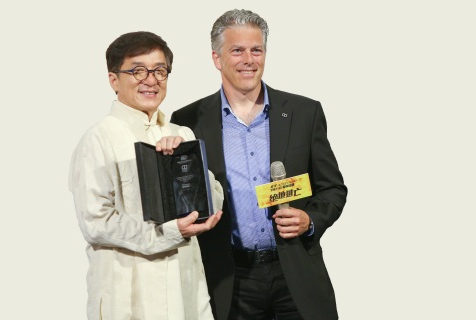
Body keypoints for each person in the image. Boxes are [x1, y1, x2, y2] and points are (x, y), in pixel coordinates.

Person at [169, 9, 348, 320]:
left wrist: (310, 219)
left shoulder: (304, 112)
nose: (248, 59)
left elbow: (332, 188)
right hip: (230, 278)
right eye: (237, 50)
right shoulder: (187, 121)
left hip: (296, 272)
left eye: (256, 49)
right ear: (216, 58)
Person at [68, 31, 223, 320]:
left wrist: (183, 164)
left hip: (185, 288)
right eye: (138, 70)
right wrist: (168, 234)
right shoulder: (99, 139)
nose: (151, 80)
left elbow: (213, 199)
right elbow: (97, 222)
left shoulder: (181, 134)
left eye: (160, 70)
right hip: (129, 295)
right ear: (114, 80)